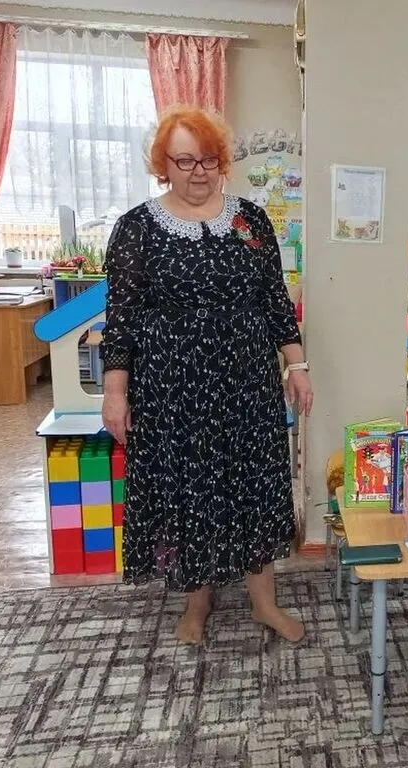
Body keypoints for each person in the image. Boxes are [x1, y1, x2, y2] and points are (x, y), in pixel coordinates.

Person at [99, 106, 314, 645]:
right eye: (185, 160)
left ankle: (264, 603)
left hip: (247, 383)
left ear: (222, 161)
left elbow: (274, 300)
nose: (198, 171)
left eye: (208, 159)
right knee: (190, 489)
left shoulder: (250, 221)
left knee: (254, 484)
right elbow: (121, 320)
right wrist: (115, 394)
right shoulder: (138, 227)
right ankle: (197, 603)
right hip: (173, 388)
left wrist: (297, 364)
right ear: (163, 165)